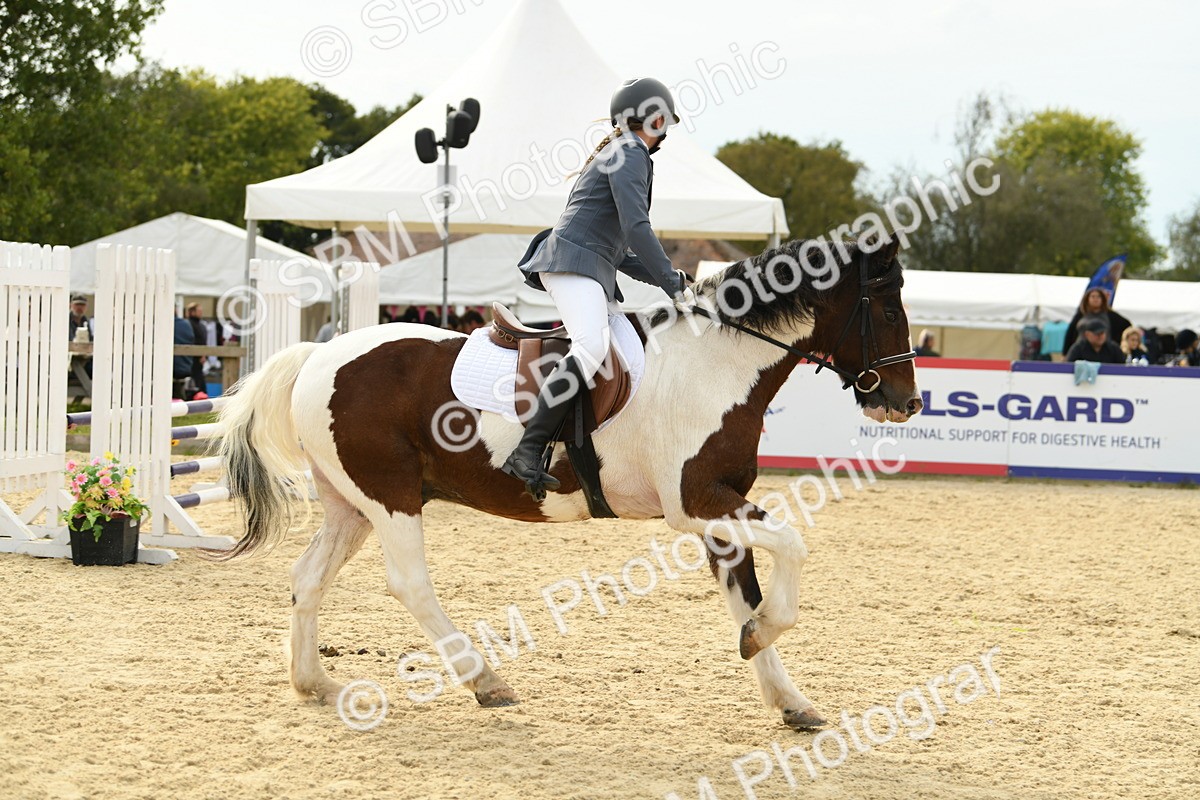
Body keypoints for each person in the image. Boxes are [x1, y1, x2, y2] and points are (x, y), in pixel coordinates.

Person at [503, 77, 695, 497]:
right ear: (657, 118)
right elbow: (637, 229)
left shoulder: (623, 152)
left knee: (625, 346)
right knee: (591, 347)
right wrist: (671, 286)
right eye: (667, 124)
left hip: (587, 264)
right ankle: (527, 450)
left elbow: (623, 251)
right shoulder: (631, 152)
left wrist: (674, 278)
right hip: (573, 265)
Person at [1062, 287, 1131, 356]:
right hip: (1080, 351)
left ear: (1102, 299)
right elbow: (1070, 334)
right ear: (1087, 299)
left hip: (1105, 353)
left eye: (1098, 297)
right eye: (1093, 296)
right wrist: (1065, 353)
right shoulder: (1080, 315)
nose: (1095, 299)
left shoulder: (1110, 315)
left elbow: (1127, 326)